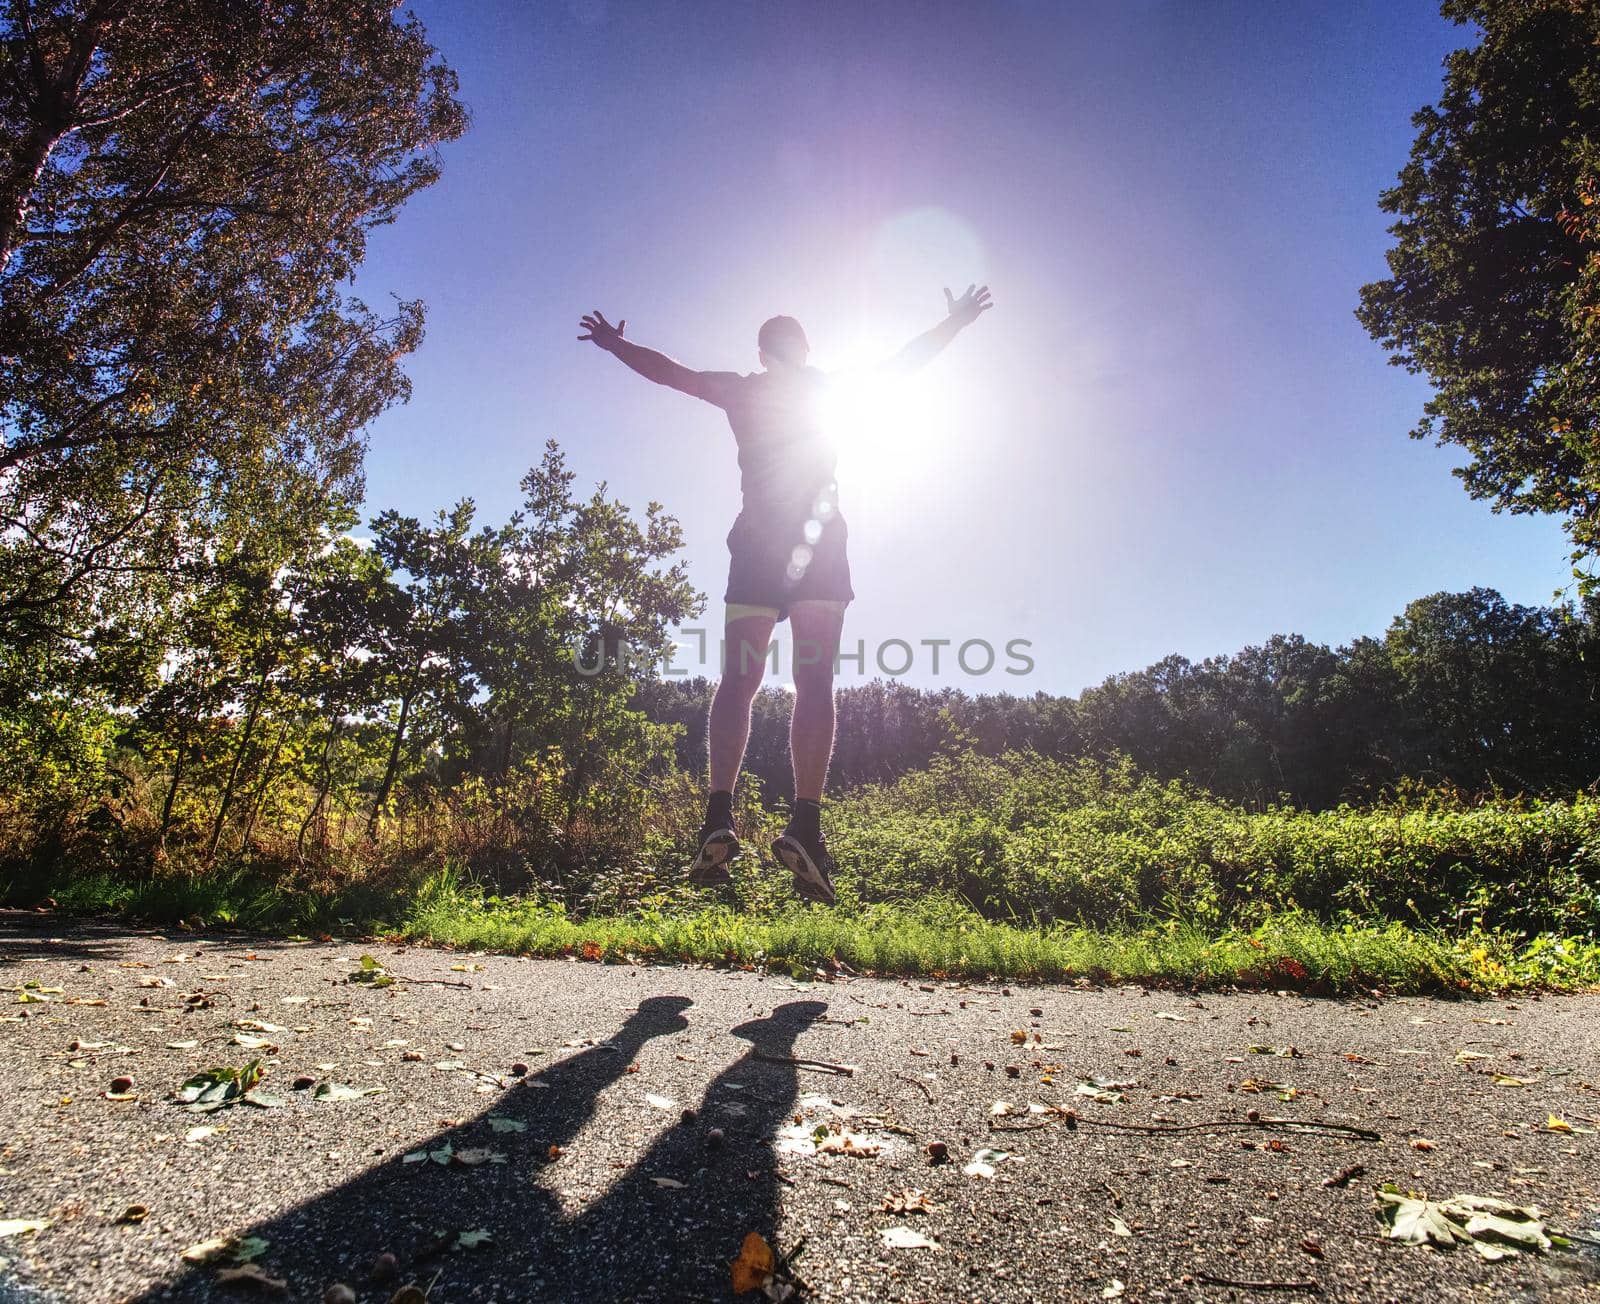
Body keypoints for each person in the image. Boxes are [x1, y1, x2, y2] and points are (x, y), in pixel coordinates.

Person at [578, 285, 993, 903]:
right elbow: (903, 363)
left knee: (737, 682)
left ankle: (719, 813)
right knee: (815, 682)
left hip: (756, 545)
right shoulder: (827, 389)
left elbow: (672, 374)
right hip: (818, 542)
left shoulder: (743, 389)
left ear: (763, 351)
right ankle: (805, 823)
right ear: (801, 349)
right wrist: (955, 321)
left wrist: (615, 344)